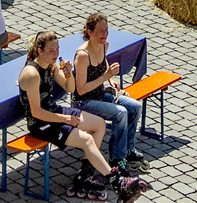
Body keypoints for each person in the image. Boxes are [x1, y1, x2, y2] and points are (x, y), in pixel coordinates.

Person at [14, 33, 138, 200]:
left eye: (57, 49)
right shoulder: (31, 74)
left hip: (55, 111)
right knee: (86, 140)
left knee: (99, 124)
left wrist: (67, 73)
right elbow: (36, 112)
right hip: (41, 123)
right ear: (39, 50)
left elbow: (70, 88)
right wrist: (65, 119)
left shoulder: (51, 66)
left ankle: (84, 176)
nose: (55, 54)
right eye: (51, 50)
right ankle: (117, 181)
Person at [65, 12, 143, 178]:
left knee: (135, 106)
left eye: (106, 30)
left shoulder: (103, 45)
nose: (104, 34)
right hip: (84, 102)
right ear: (90, 32)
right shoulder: (82, 56)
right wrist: (104, 77)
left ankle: (128, 148)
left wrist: (111, 81)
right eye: (100, 31)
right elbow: (80, 90)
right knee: (120, 113)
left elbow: (104, 62)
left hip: (100, 94)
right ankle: (117, 158)